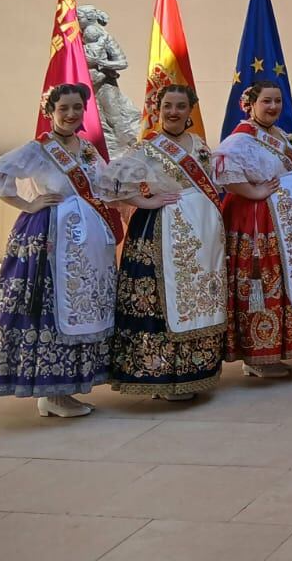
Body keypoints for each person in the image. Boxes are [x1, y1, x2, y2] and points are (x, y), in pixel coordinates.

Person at [0, 83, 119, 417]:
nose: (71, 114)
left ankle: (64, 390)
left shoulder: (86, 149)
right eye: (63, 108)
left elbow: (106, 182)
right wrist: (28, 204)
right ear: (49, 112)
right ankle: (51, 393)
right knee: (49, 308)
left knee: (80, 306)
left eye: (76, 108)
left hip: (86, 240)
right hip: (49, 236)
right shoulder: (38, 149)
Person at [106, 84, 226, 401]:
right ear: (157, 110)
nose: (173, 112)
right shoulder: (146, 148)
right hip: (158, 232)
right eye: (167, 106)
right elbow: (111, 184)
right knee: (159, 303)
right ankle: (161, 378)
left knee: (196, 300)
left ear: (190, 111)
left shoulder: (198, 145)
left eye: (180, 106)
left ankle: (192, 374)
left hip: (199, 237)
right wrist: (146, 202)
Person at [213, 80, 292, 377]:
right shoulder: (240, 139)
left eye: (278, 101)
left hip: (286, 218)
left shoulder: (280, 135)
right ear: (251, 104)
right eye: (267, 101)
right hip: (257, 222)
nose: (274, 107)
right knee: (261, 284)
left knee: (282, 283)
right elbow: (223, 171)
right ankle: (256, 355)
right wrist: (253, 192)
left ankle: (272, 351)